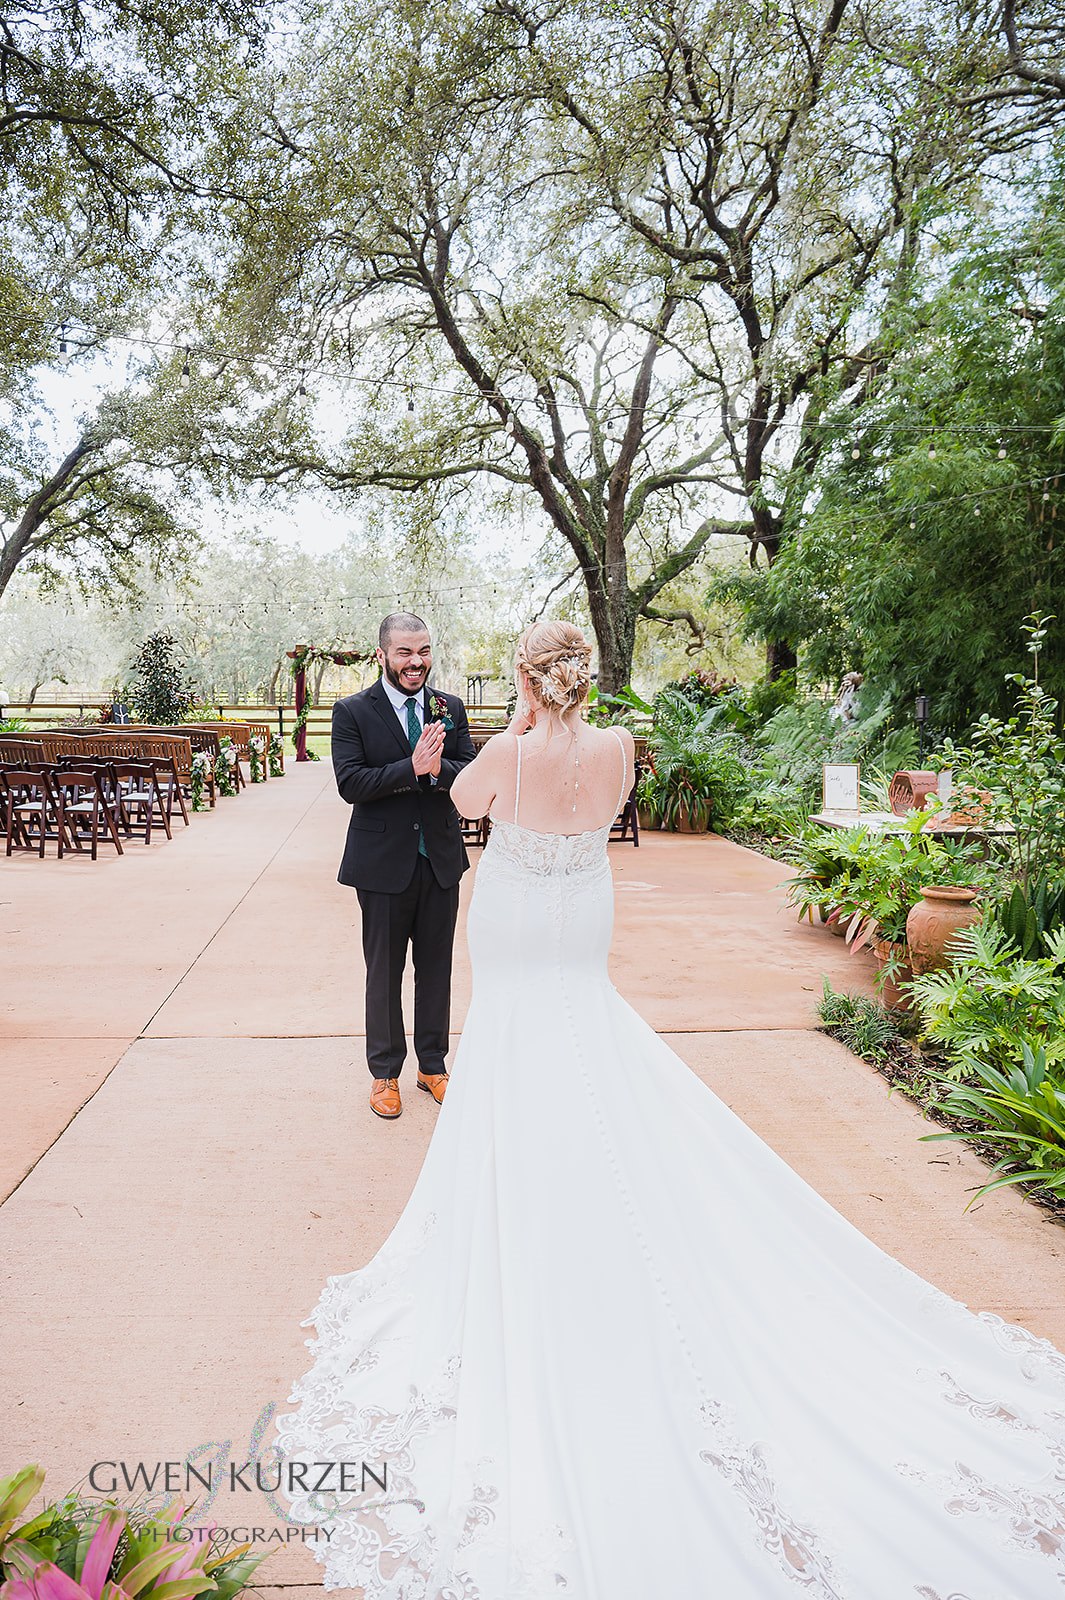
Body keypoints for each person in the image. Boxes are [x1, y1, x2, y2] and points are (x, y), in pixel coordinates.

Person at [272, 620, 1065, 1598]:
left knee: (520, 1045)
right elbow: (597, 808)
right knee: (590, 1043)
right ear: (585, 681)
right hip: (583, 925)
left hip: (521, 933)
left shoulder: (505, 756)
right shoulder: (619, 751)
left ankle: (534, 1221)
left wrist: (519, 727)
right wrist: (543, 724)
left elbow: (465, 793)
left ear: (529, 680)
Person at [330, 612, 477, 1118]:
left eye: (424, 652)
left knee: (437, 970)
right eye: (405, 653)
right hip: (381, 866)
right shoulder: (353, 711)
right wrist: (410, 769)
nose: (417, 663)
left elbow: (471, 775)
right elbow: (351, 783)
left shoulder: (448, 707)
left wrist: (437, 772)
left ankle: (432, 1066)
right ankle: (384, 1074)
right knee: (384, 972)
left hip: (439, 861)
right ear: (383, 656)